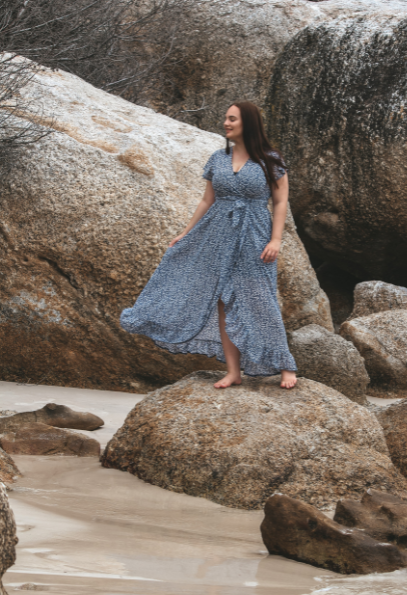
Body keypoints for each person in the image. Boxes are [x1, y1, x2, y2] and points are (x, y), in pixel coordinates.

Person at [120, 101, 298, 389]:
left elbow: (280, 202)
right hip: (217, 234)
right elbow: (207, 200)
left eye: (232, 119)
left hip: (254, 235)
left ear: (248, 124)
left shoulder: (270, 160)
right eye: (226, 118)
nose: (226, 123)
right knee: (222, 301)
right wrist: (185, 233)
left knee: (260, 297)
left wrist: (275, 239)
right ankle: (233, 371)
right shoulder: (217, 159)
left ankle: (284, 364)